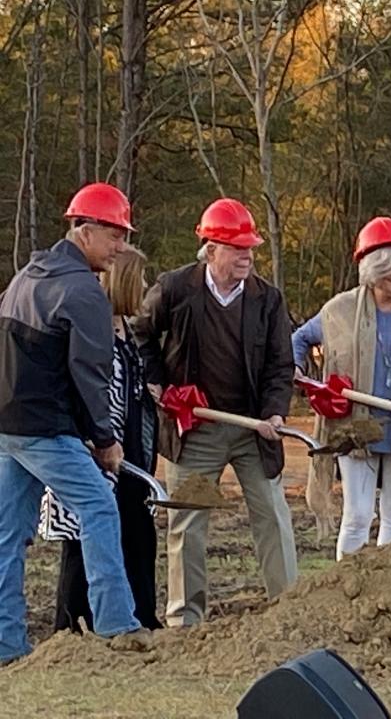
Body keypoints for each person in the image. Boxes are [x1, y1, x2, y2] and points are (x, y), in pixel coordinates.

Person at [130, 197, 297, 626]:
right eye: (237, 248)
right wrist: (157, 381)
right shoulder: (175, 289)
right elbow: (141, 334)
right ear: (211, 248)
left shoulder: (268, 300)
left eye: (250, 248)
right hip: (194, 428)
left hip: (253, 427)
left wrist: (275, 412)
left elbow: (282, 365)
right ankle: (185, 619)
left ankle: (290, 610)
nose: (247, 256)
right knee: (187, 521)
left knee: (273, 516)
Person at [0, 182, 149, 664]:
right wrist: (104, 441)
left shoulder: (26, 276)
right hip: (45, 428)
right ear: (84, 230)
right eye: (114, 236)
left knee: (7, 534)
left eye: (123, 236)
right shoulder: (84, 292)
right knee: (100, 508)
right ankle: (117, 626)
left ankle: (6, 644)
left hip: (6, 426)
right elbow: (91, 376)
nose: (121, 247)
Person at [294, 217, 391, 561]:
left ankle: (388, 590)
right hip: (355, 430)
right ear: (373, 267)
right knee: (359, 515)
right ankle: (348, 587)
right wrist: (297, 369)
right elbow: (300, 339)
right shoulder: (340, 310)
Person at [39, 247, 163, 632]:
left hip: (130, 452)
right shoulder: (92, 323)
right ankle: (72, 625)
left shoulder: (126, 328)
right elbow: (84, 385)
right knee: (83, 538)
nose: (145, 285)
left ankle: (141, 617)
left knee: (138, 534)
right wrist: (97, 439)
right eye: (140, 278)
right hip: (95, 449)